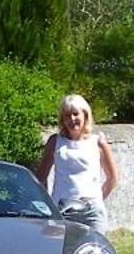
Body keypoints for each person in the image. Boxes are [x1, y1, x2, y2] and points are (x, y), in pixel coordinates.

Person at [35, 93, 120, 229]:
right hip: (62, 210)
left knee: (93, 249)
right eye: (67, 115)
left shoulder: (98, 142)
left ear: (85, 115)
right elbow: (41, 177)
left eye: (75, 114)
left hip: (92, 213)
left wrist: (97, 200)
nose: (72, 119)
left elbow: (112, 178)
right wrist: (48, 206)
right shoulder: (55, 142)